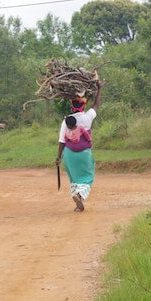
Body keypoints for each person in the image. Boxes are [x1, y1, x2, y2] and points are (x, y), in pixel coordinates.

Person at [55, 82, 102, 212]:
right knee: (88, 176)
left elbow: (62, 141)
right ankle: (80, 195)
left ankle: (77, 199)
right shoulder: (87, 117)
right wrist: (99, 88)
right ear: (83, 105)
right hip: (84, 153)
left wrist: (59, 157)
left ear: (71, 105)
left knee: (74, 177)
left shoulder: (67, 121)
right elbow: (97, 104)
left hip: (69, 154)